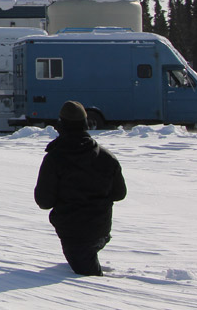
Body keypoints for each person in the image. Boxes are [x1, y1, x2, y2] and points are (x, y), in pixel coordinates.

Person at [34, 100, 127, 276]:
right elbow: (119, 194)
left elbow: (44, 201)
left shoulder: (54, 159)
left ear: (61, 125)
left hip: (73, 236)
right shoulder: (107, 157)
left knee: (89, 281)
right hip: (101, 231)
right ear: (85, 124)